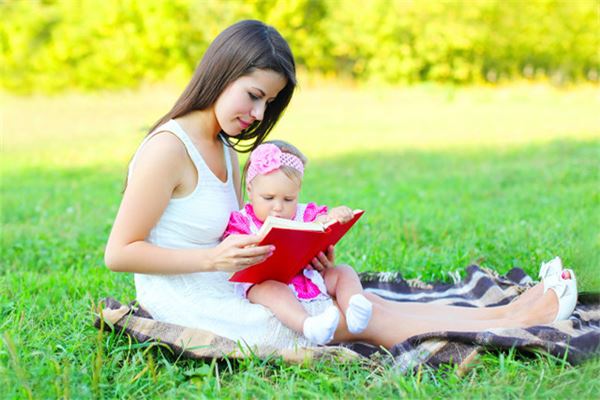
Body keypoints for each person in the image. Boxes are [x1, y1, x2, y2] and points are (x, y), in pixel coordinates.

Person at [105, 19, 578, 350]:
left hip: (235, 279)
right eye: (253, 95)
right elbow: (120, 253)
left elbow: (242, 227)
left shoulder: (227, 145)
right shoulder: (169, 149)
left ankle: (504, 318)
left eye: (268, 103)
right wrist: (214, 259)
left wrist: (297, 247)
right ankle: (513, 322)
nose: (258, 115)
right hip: (192, 296)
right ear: (222, 73)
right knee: (362, 321)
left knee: (360, 302)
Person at [223, 140, 373, 345]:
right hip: (265, 282)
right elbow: (232, 248)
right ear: (250, 190)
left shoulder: (304, 214)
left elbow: (323, 222)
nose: (278, 207)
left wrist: (334, 217)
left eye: (288, 199)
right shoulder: (243, 221)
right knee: (272, 291)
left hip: (308, 275)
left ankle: (355, 308)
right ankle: (309, 325)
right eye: (268, 198)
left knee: (344, 271)